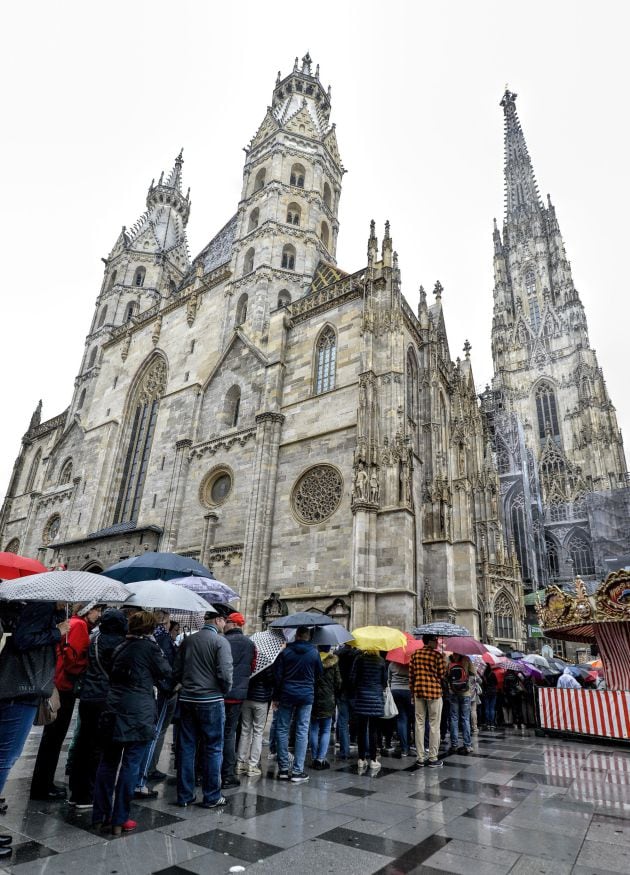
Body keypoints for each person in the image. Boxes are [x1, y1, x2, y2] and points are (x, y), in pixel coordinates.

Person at [92, 611, 171, 835]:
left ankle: (100, 815)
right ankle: (119, 818)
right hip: (137, 713)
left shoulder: (118, 647)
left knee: (107, 764)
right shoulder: (149, 648)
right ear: (149, 629)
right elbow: (166, 671)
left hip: (113, 709)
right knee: (130, 765)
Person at [30, 601, 102, 801]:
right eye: (97, 610)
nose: (99, 614)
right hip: (64, 686)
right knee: (53, 738)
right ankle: (43, 786)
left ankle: (42, 784)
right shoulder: (79, 625)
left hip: (60, 684)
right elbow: (73, 659)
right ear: (87, 610)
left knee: (51, 738)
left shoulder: (75, 623)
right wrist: (86, 666)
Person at [0, 603, 69, 805]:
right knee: (7, 755)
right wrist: (57, 631)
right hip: (22, 690)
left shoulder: (36, 609)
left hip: (16, 688)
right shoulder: (40, 607)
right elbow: (24, 640)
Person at [68, 609, 128, 808]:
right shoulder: (120, 644)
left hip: (88, 697)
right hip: (106, 698)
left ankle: (76, 791)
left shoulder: (94, 637)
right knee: (98, 748)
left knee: (83, 744)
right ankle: (89, 794)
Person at [173, 609, 233, 808]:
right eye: (225, 620)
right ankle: (212, 796)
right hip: (211, 700)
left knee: (186, 747)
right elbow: (225, 673)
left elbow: (177, 670)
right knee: (213, 748)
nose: (225, 625)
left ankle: (184, 795)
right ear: (217, 619)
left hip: (188, 699)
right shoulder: (220, 642)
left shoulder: (188, 641)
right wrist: (223, 690)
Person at [134, 610, 178, 794]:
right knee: (157, 731)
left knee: (153, 732)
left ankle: (145, 770)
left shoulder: (138, 641)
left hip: (144, 692)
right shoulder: (160, 639)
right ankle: (146, 771)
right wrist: (172, 686)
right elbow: (166, 666)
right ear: (164, 621)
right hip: (162, 691)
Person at [272, 626, 322, 784]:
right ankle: (297, 771)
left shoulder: (286, 652)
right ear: (307, 636)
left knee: (282, 729)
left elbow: (277, 676)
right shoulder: (314, 653)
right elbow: (319, 674)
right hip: (306, 695)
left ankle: (283, 769)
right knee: (302, 730)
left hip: (286, 694)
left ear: (297, 635)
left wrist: (276, 696)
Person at [221, 612, 256, 789]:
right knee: (230, 733)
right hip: (238, 696)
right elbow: (252, 667)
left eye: (227, 622)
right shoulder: (250, 644)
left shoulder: (222, 640)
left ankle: (212, 771)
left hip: (221, 693)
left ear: (234, 624)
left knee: (217, 733)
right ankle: (227, 772)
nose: (224, 624)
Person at [409, 634, 446, 768]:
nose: (437, 642)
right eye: (435, 640)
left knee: (419, 724)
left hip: (418, 692)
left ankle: (420, 758)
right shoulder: (437, 656)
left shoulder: (415, 654)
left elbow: (411, 675)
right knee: (434, 725)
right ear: (429, 641)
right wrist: (443, 661)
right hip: (434, 693)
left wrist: (412, 692)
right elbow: (442, 675)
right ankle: (432, 757)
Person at [349, 648, 388, 773]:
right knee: (373, 731)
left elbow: (352, 679)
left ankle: (361, 759)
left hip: (361, 697)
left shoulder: (359, 659)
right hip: (376, 699)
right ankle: (373, 760)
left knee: (361, 730)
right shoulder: (381, 661)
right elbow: (384, 681)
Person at [236, 663, 275, 776]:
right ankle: (252, 765)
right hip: (261, 700)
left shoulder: (249, 660)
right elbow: (271, 680)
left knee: (245, 730)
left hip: (247, 697)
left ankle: (240, 763)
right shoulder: (266, 663)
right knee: (258, 732)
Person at [309, 645, 342, 769]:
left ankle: (313, 756)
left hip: (313, 698)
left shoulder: (312, 660)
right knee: (326, 730)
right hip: (328, 699)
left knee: (313, 729)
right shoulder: (333, 662)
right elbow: (338, 682)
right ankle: (321, 758)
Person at [447, 651, 475, 753]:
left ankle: (454, 744)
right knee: (465, 719)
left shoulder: (448, 659)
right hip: (465, 693)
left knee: (454, 718)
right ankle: (467, 745)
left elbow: (444, 676)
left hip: (453, 692)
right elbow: (473, 673)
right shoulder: (466, 659)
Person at [388, 659, 414, 756]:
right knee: (411, 719)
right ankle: (411, 744)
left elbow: (389, 679)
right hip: (408, 691)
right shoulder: (411, 663)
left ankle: (404, 748)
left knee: (401, 719)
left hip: (395, 691)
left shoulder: (392, 664)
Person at [335, 643, 357, 759]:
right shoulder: (357, 655)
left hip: (342, 691)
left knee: (343, 722)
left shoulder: (337, 654)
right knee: (358, 720)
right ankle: (364, 748)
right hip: (354, 692)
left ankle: (344, 751)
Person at [482, 664, 498, 729]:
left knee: (487, 708)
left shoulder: (484, 675)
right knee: (492, 708)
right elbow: (496, 682)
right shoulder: (493, 674)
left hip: (486, 692)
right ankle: (492, 723)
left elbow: (482, 684)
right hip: (493, 692)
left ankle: (488, 723)